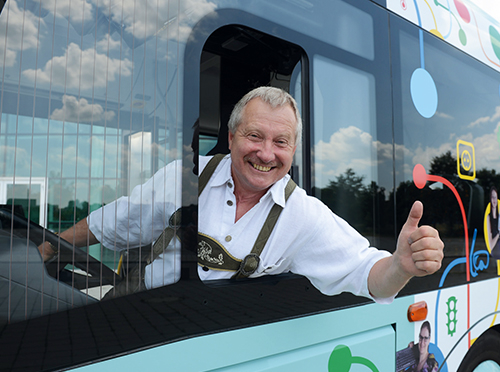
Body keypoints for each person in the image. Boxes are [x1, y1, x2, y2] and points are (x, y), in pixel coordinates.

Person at [39, 87, 444, 301]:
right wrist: (48, 248)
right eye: (254, 136)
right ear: (231, 138)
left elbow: (370, 277)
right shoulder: (182, 179)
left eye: (281, 142)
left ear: (293, 151)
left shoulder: (302, 215)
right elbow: (111, 224)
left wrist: (402, 266)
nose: (266, 154)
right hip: (139, 331)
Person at [487, 186, 500, 259]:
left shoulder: (499, 217)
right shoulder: (489, 218)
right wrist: (498, 234)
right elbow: (491, 245)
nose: (494, 200)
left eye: (495, 197)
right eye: (492, 197)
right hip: (495, 253)